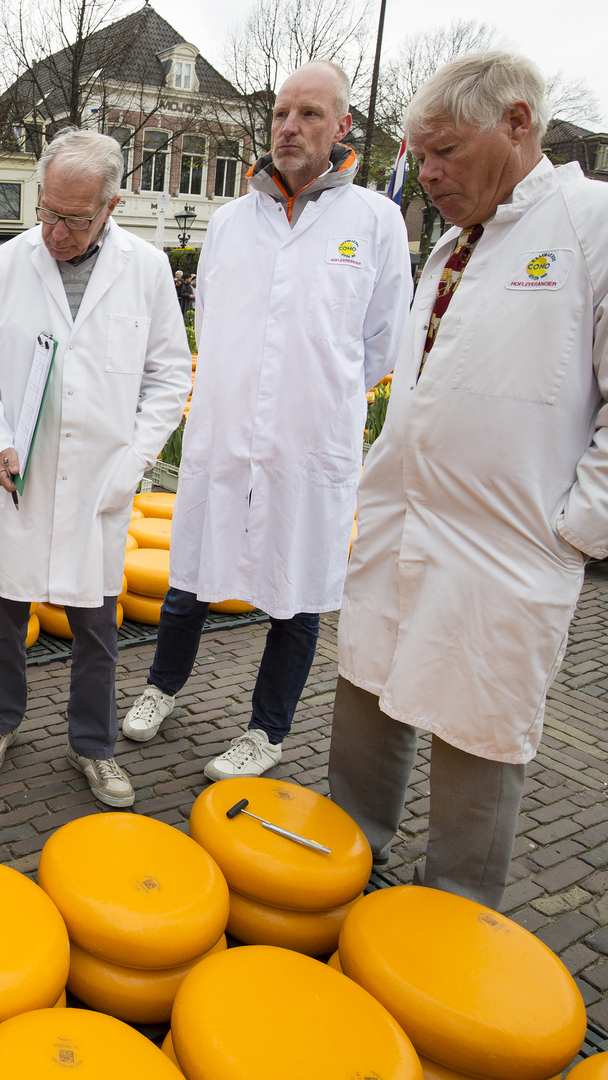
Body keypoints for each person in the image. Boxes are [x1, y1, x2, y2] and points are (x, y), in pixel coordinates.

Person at [329, 52, 608, 907]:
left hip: (504, 553)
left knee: (475, 734)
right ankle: (339, 873)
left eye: (444, 153)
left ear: (515, 123)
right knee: (366, 696)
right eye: (417, 156)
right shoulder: (455, 249)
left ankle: (451, 920)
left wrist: (571, 533)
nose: (426, 174)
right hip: (401, 527)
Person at [121, 62, 413, 782]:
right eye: (282, 113)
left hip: (309, 442)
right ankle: (162, 686)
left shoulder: (373, 221)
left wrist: (312, 394)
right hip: (225, 433)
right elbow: (211, 322)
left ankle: (265, 730)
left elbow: (382, 341)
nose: (289, 127)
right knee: (189, 575)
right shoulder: (228, 222)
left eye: (309, 114)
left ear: (342, 126)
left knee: (298, 590)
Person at [0, 130, 189, 805]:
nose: (54, 231)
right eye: (46, 212)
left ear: (112, 205)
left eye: (74, 219)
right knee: (3, 619)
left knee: (96, 630)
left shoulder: (144, 269)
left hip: (98, 481)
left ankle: (93, 745)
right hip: (16, 476)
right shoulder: (3, 265)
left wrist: (135, 459)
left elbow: (168, 378)